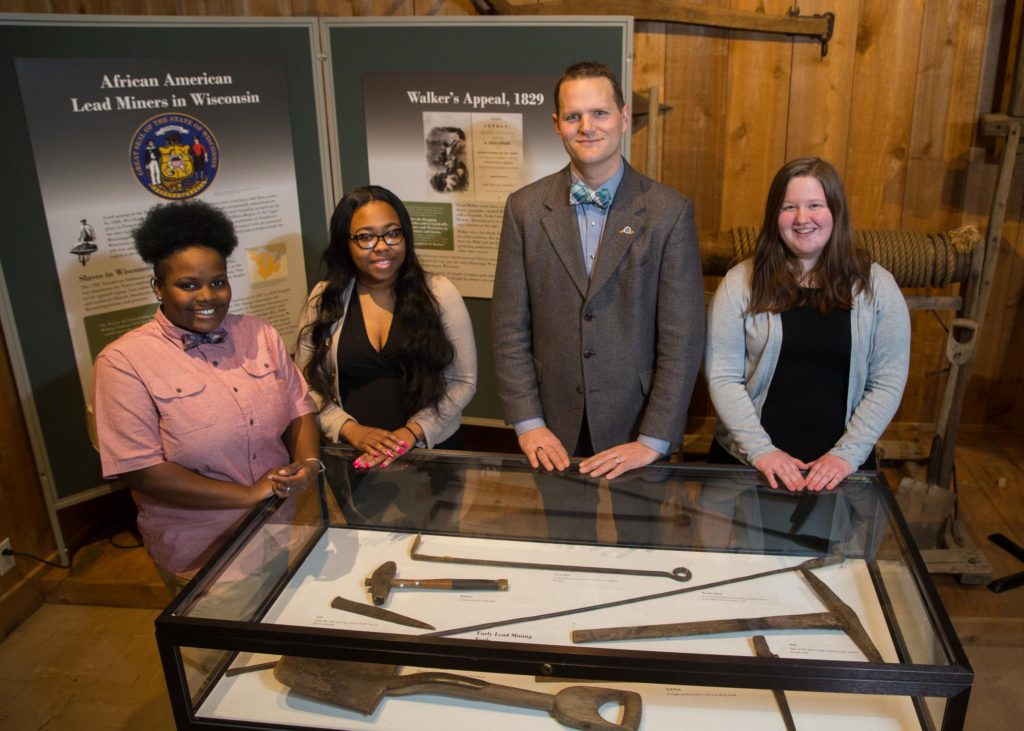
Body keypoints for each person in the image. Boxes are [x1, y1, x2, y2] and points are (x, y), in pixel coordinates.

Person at [492, 61, 704, 479]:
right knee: (561, 539)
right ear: (557, 124)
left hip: (638, 424)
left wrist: (654, 439)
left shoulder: (668, 212)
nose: (587, 126)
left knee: (640, 538)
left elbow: (683, 338)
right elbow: (508, 328)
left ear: (624, 117)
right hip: (552, 426)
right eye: (573, 116)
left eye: (600, 113)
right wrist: (528, 423)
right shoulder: (524, 209)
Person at [92, 200, 320, 588]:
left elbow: (300, 408)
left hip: (281, 526)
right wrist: (247, 494)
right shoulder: (123, 362)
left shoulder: (260, 334)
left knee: (281, 633)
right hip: (202, 550)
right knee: (220, 647)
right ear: (158, 288)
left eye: (217, 282)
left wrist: (310, 462)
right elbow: (140, 470)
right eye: (188, 285)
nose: (207, 296)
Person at [705, 156, 911, 492]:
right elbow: (723, 376)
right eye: (789, 207)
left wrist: (847, 454)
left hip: (838, 471)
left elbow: (887, 381)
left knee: (837, 546)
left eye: (815, 205)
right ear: (775, 216)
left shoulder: (877, 286)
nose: (802, 219)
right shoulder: (739, 283)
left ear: (836, 212)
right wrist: (762, 451)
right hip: (749, 466)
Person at [295, 185, 476, 470]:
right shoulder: (323, 298)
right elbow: (304, 384)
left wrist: (410, 434)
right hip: (350, 456)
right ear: (346, 243)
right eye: (365, 237)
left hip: (431, 453)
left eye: (392, 233)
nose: (382, 246)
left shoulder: (439, 293)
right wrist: (350, 430)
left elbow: (463, 381)